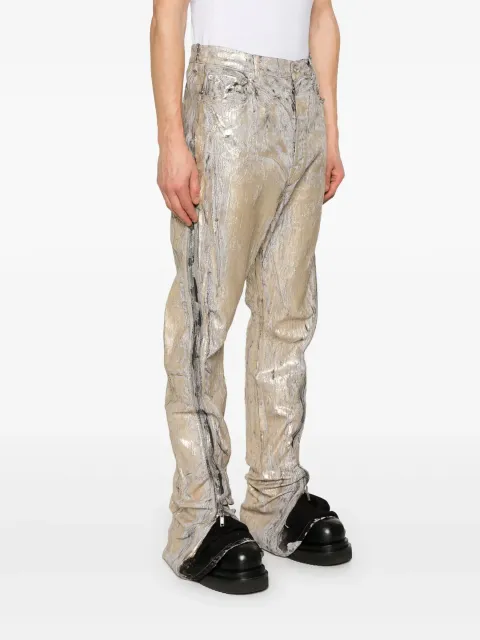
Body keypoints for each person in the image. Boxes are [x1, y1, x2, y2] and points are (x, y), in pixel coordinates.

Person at [150, 0, 350, 594]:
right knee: (204, 316)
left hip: (302, 103)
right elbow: (167, 17)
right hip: (225, 94)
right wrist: (171, 139)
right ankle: (199, 517)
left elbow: (320, 15)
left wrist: (329, 127)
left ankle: (275, 496)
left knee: (287, 316)